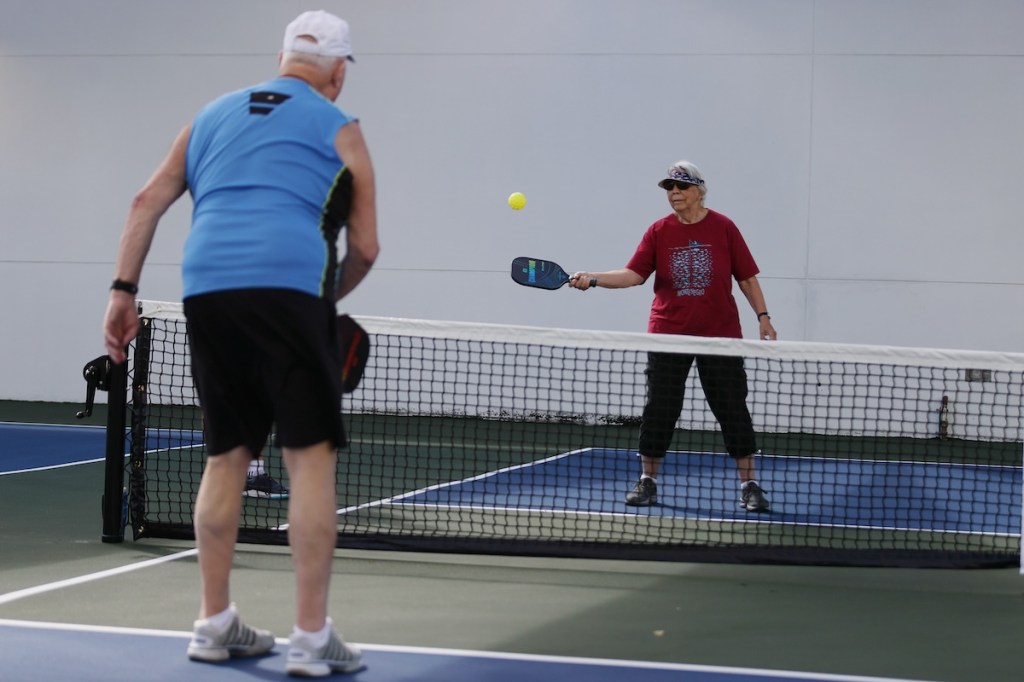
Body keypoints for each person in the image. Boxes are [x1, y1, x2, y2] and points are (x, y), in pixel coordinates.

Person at [102, 10, 379, 676]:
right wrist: (321, 303)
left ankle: (213, 622)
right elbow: (366, 248)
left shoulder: (211, 115)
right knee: (309, 459)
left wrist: (121, 292)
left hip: (209, 290)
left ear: (280, 57)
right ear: (339, 73)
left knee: (227, 455)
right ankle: (312, 638)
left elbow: (146, 200)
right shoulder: (341, 128)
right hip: (290, 291)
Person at [568, 160, 777, 513]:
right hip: (667, 334)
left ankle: (749, 484)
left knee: (732, 410)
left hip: (719, 335)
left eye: (681, 187)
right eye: (669, 189)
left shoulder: (724, 227)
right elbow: (634, 275)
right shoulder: (658, 231)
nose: (674, 194)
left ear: (699, 190)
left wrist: (764, 317)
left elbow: (746, 278)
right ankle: (648, 481)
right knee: (660, 410)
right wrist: (594, 277)